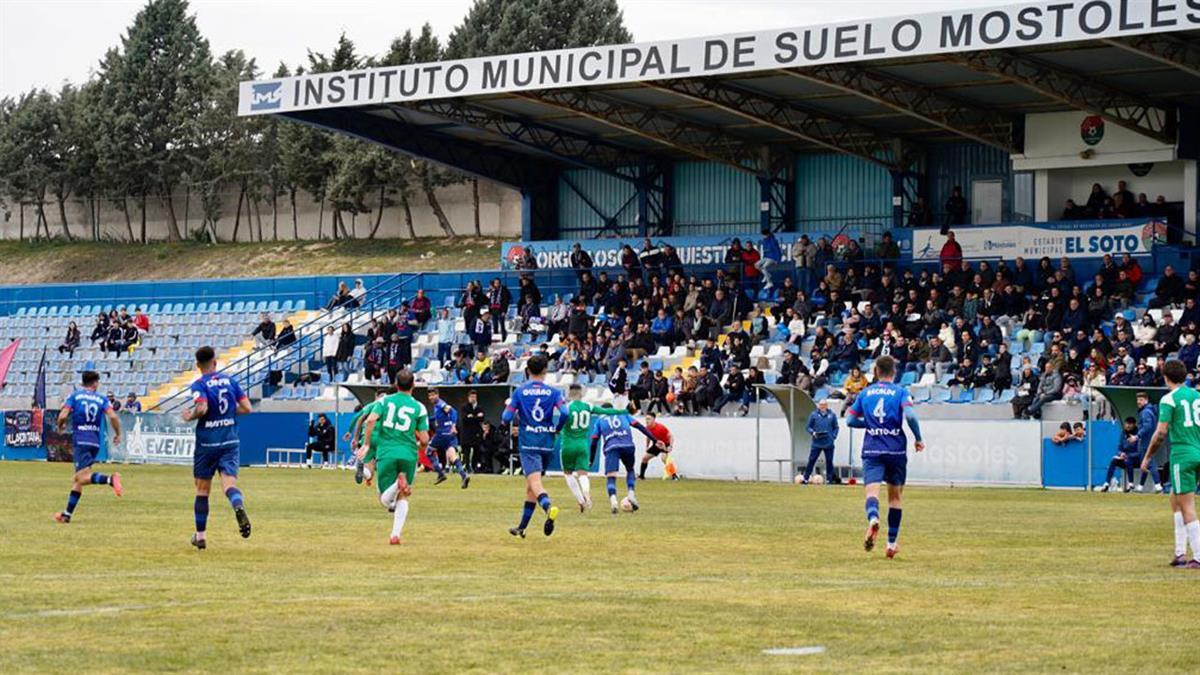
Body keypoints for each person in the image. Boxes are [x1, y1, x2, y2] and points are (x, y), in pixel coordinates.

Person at [845, 355, 924, 559]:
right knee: (895, 497)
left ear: (876, 372)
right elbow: (911, 416)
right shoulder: (900, 392)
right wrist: (918, 438)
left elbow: (850, 420)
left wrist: (870, 425)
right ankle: (891, 544)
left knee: (871, 492)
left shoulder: (865, 393)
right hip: (895, 450)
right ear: (894, 372)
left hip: (872, 449)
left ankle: (873, 518)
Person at [181, 346, 253, 550]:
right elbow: (247, 408)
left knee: (202, 489)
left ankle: (201, 536)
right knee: (229, 484)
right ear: (215, 362)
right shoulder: (231, 381)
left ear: (198, 365)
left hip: (207, 443)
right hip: (229, 440)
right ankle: (237, 505)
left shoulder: (199, 384)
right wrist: (229, 414)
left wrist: (191, 416)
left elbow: (202, 407)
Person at [1139, 359, 1200, 567]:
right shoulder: (1197, 396)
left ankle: (1198, 557)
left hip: (1182, 454)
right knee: (1175, 498)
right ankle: (1180, 552)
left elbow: (1161, 432)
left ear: (1166, 377)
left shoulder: (1168, 399)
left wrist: (1147, 456)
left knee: (1187, 505)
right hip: (1198, 451)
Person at [360, 370, 430, 546]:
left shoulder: (384, 401)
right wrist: (419, 448)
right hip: (408, 454)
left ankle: (397, 484)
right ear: (413, 385)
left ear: (396, 385)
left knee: (385, 499)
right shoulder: (419, 407)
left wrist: (367, 444)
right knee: (403, 497)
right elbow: (425, 439)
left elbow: (370, 420)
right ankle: (395, 535)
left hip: (386, 453)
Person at [501, 354, 567, 538]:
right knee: (531, 485)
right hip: (547, 443)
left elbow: (506, 417)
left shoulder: (520, 392)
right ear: (545, 371)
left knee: (535, 483)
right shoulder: (554, 392)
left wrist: (512, 420)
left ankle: (548, 507)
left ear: (528, 370)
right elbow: (565, 412)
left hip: (528, 443)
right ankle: (522, 527)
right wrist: (556, 429)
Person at [53, 371, 124, 524]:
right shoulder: (101, 399)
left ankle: (110, 479)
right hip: (95, 442)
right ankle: (67, 514)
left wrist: (60, 426)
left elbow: (63, 415)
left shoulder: (75, 396)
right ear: (95, 383)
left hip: (81, 440)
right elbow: (112, 416)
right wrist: (118, 433)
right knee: (78, 479)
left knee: (81, 477)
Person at [558, 384, 624, 511]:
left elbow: (560, 423)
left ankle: (581, 500)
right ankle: (587, 495)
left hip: (568, 444)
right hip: (583, 445)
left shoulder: (566, 408)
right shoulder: (588, 406)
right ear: (581, 393)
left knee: (568, 474)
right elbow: (604, 411)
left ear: (569, 394)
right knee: (583, 474)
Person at [589, 407, 659, 514]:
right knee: (630, 470)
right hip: (628, 445)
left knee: (611, 476)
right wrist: (655, 440)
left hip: (611, 447)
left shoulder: (599, 420)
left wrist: (591, 459)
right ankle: (631, 493)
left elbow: (594, 441)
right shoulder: (623, 414)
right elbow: (639, 426)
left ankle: (613, 502)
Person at [426, 388, 470, 488]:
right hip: (450, 435)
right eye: (429, 396)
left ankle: (440, 473)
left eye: (433, 395)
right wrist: (427, 419)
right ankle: (464, 475)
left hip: (442, 433)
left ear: (437, 395)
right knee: (452, 456)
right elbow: (438, 417)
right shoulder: (438, 406)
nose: (431, 397)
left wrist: (454, 425)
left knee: (428, 452)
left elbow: (453, 412)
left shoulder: (440, 404)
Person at [1099, 417, 1140, 493]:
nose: (1128, 425)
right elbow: (1119, 447)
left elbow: (1139, 451)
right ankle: (1106, 484)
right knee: (1114, 460)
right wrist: (1121, 453)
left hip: (1137, 460)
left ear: (1134, 425)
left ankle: (1131, 485)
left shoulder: (1138, 434)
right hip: (1125, 458)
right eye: (1126, 423)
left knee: (1128, 460)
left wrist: (1128, 456)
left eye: (1130, 424)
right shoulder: (1123, 433)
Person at [1134, 391, 1164, 493]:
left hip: (1146, 441)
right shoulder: (1149, 410)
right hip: (1149, 440)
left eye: (1141, 400)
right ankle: (1140, 486)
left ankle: (1158, 486)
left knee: (1149, 463)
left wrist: (1137, 436)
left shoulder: (1146, 412)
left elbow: (1147, 426)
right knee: (1145, 463)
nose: (1139, 402)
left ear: (1146, 400)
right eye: (1138, 400)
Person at [803, 399, 839, 484]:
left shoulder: (832, 415)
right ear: (818, 405)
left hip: (829, 443)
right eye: (821, 405)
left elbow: (836, 427)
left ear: (827, 405)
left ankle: (829, 480)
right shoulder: (813, 415)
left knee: (829, 461)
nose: (822, 406)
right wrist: (813, 433)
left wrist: (833, 436)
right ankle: (806, 478)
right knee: (811, 460)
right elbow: (808, 427)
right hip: (817, 442)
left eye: (824, 405)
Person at [637, 412, 674, 481]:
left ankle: (674, 475)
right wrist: (647, 446)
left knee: (664, 459)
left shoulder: (661, 427)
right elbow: (648, 437)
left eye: (649, 419)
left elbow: (671, 436)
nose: (647, 421)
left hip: (664, 444)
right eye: (646, 419)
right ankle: (641, 476)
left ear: (654, 419)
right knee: (645, 458)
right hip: (656, 444)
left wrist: (670, 446)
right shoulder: (647, 428)